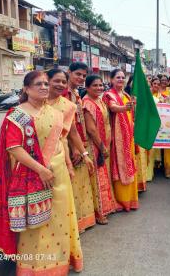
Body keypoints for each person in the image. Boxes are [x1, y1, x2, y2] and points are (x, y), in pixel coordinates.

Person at [0, 70, 83, 274]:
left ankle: (60, 264)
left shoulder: (56, 113)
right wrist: (41, 170)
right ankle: (35, 268)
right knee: (36, 225)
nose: (44, 87)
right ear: (26, 89)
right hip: (33, 175)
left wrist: (68, 165)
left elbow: (61, 141)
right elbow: (14, 148)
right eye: (38, 84)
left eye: (45, 84)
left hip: (59, 172)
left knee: (61, 218)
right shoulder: (17, 115)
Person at [48, 68, 96, 233]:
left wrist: (83, 152)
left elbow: (73, 129)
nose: (81, 78)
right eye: (78, 74)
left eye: (84, 75)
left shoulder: (72, 98)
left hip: (67, 150)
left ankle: (74, 225)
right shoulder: (40, 101)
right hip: (49, 153)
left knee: (71, 188)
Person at [83, 75, 119, 224]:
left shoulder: (100, 100)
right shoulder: (87, 104)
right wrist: (102, 146)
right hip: (95, 146)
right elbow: (91, 129)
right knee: (97, 179)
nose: (98, 88)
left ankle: (106, 207)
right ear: (87, 87)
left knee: (104, 177)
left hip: (104, 144)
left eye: (100, 85)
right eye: (94, 86)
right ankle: (99, 212)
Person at [103, 69, 140, 210]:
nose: (120, 79)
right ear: (111, 80)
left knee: (129, 163)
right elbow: (113, 108)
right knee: (120, 165)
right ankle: (121, 200)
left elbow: (132, 114)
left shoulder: (125, 94)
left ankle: (131, 199)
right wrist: (125, 107)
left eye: (123, 77)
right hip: (117, 138)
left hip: (128, 136)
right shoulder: (109, 95)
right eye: (117, 77)